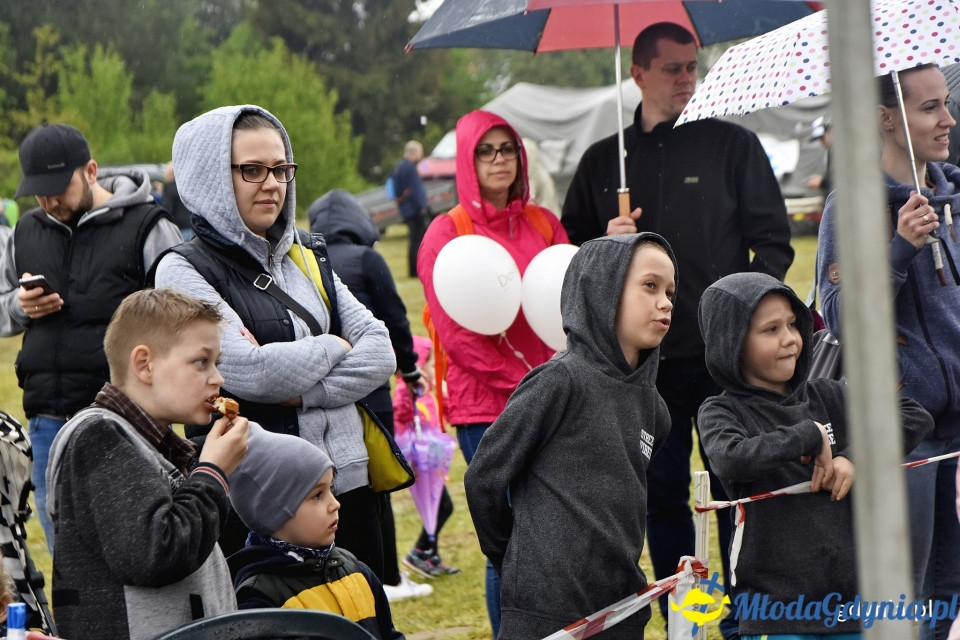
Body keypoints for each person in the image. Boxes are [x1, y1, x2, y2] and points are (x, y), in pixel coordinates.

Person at [560, 23, 794, 637]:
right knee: (658, 496)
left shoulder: (733, 146)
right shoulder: (603, 161)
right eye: (673, 68)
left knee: (735, 493)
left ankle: (744, 616)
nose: (687, 78)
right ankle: (682, 615)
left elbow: (773, 241)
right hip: (647, 365)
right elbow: (569, 260)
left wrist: (748, 313)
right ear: (637, 74)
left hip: (726, 361)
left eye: (693, 66)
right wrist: (602, 248)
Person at [152, 106, 396, 575]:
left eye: (281, 168)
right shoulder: (183, 269)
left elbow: (380, 349)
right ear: (210, 177)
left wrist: (303, 391)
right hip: (263, 497)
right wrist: (335, 345)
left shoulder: (308, 254)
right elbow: (253, 373)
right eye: (252, 169)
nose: (273, 184)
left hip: (348, 484)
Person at [697, 273, 932, 639]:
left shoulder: (828, 396)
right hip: (774, 611)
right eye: (770, 329)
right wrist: (809, 435)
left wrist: (854, 458)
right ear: (732, 342)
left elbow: (913, 416)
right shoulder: (720, 412)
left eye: (792, 324)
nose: (790, 339)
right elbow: (731, 458)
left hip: (854, 607)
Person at [464, 233, 676, 640]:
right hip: (544, 614)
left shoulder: (655, 410)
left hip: (620, 612)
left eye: (669, 291)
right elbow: (484, 477)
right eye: (650, 286)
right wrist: (513, 559)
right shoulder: (559, 382)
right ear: (603, 289)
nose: (665, 301)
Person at [818, 63, 960, 640]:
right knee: (909, 594)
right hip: (906, 430)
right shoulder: (848, 206)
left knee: (951, 591)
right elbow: (841, 317)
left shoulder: (952, 192)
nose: (947, 118)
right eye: (928, 107)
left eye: (945, 103)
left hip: (959, 426)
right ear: (884, 117)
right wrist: (898, 248)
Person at [417, 108, 570, 637]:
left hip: (554, 397)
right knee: (505, 537)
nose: (499, 159)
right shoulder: (446, 233)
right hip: (486, 406)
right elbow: (456, 337)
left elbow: (570, 302)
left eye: (507, 149)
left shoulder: (544, 224)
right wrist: (525, 386)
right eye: (486, 150)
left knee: (555, 528)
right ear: (468, 159)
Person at [0, 123, 182, 554]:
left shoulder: (148, 225)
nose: (48, 201)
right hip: (46, 420)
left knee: (134, 546)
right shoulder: (26, 231)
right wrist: (20, 308)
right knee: (67, 553)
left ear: (92, 171)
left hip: (127, 418)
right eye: (38, 192)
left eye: (58, 189)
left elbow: (183, 319)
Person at [44, 288, 250, 640]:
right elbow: (156, 553)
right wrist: (213, 473)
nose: (218, 378)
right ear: (144, 365)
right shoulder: (99, 437)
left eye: (217, 363)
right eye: (201, 361)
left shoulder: (153, 446)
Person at [307, 188, 432, 601]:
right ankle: (387, 577)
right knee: (377, 484)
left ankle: (342, 575)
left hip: (318, 394)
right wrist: (411, 369)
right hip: (369, 388)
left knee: (334, 489)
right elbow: (394, 319)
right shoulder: (367, 259)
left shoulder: (308, 262)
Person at [228, 423, 405, 640]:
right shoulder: (259, 601)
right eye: (317, 495)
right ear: (275, 512)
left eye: (331, 489)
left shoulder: (356, 571)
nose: (335, 504)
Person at [392, 336, 459, 578]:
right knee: (443, 507)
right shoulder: (407, 391)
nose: (433, 370)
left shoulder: (426, 392)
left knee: (436, 507)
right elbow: (400, 414)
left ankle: (431, 555)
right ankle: (419, 552)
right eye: (430, 365)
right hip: (420, 463)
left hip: (433, 461)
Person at [392, 140, 430, 278]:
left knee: (413, 240)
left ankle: (413, 270)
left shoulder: (399, 166)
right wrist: (422, 207)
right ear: (413, 152)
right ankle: (415, 271)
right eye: (419, 152)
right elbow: (416, 190)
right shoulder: (409, 168)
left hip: (405, 208)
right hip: (414, 209)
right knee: (417, 241)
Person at [162, 160, 194, 240]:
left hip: (179, 228)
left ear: (172, 174)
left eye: (166, 173)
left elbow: (168, 208)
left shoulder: (170, 187)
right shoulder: (184, 185)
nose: (164, 176)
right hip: (191, 226)